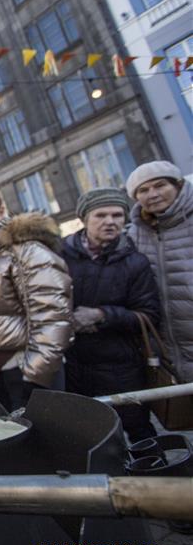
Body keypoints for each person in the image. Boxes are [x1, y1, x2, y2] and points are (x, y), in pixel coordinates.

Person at [0, 179, 73, 410]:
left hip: (29, 372)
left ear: (1, 212)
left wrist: (36, 374)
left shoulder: (27, 251)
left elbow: (52, 315)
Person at [61, 188, 159, 443]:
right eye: (100, 215)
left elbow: (149, 316)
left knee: (140, 433)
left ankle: (155, 480)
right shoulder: (60, 256)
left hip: (122, 368)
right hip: (73, 366)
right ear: (84, 219)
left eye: (117, 215)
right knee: (91, 439)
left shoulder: (135, 262)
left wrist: (102, 315)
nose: (110, 221)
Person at [126, 160, 193, 382]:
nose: (152, 194)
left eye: (160, 185)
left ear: (178, 186)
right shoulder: (135, 233)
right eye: (143, 190)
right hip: (167, 349)